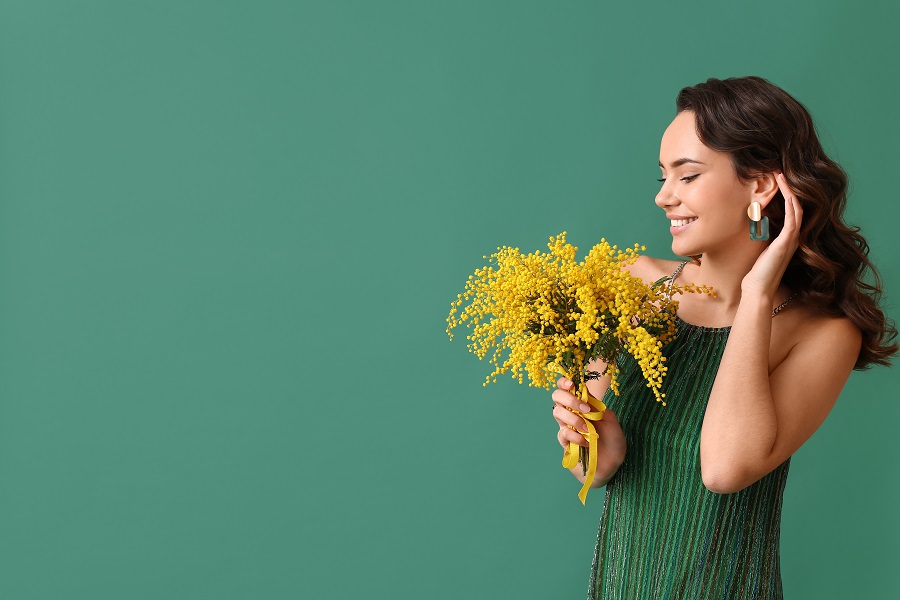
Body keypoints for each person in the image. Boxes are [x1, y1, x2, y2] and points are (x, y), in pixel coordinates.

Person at [550, 76, 897, 599]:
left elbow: (724, 469)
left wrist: (756, 296)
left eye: (687, 175)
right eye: (663, 175)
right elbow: (589, 469)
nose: (663, 196)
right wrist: (604, 452)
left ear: (760, 185)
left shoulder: (825, 334)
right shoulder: (629, 287)